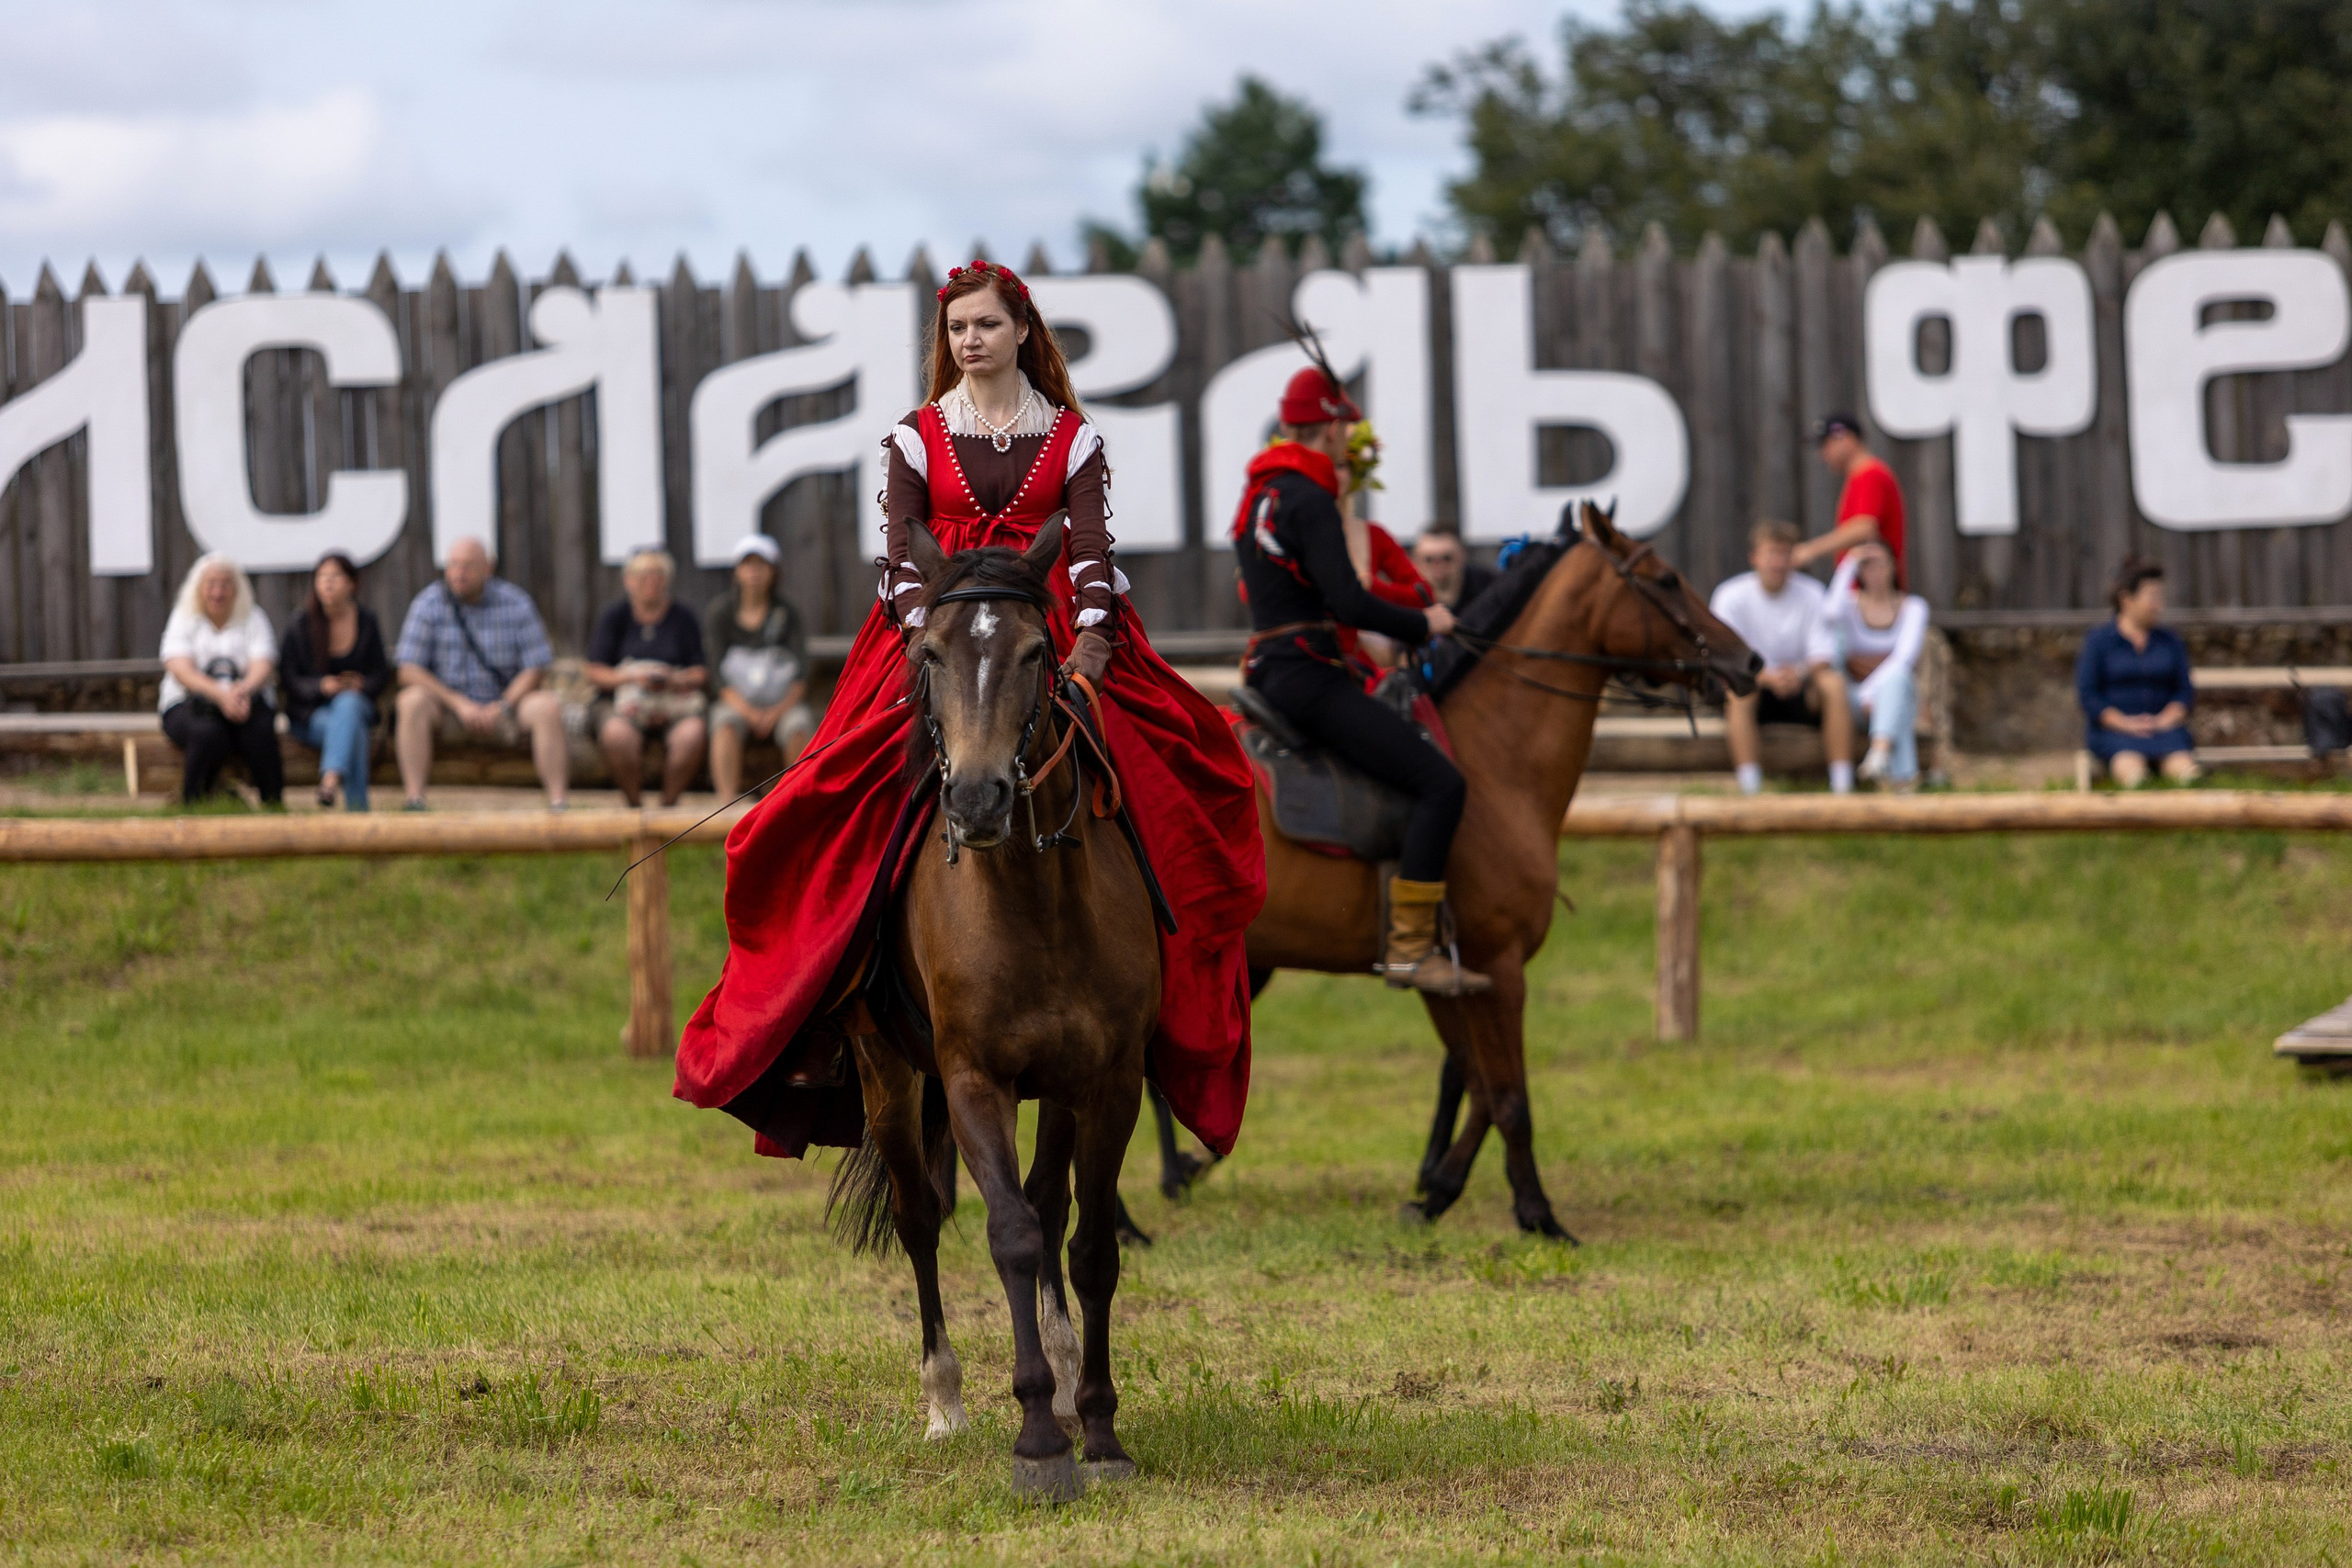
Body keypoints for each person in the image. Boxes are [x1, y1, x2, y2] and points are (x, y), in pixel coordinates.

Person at [676, 258, 1264, 1164]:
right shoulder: (914, 437)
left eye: (986, 324)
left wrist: (1091, 652)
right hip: (938, 641)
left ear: (1023, 329)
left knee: (1176, 779)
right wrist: (928, 639)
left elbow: (1092, 559)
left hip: (1053, 632)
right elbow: (899, 566)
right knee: (832, 804)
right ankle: (841, 1008)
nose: (970, 340)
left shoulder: (1072, 437)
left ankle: (1155, 1000)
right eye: (957, 328)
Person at [1236, 362, 1482, 993]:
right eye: (1343, 429)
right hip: (1311, 678)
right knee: (1441, 783)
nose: (1347, 440)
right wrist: (1424, 622)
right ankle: (1410, 949)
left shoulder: (1258, 497)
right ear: (1329, 431)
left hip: (1269, 670)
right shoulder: (1310, 499)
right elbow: (1348, 602)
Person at [391, 536, 569, 811]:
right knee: (410, 700)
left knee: (547, 706)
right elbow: (408, 670)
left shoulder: (516, 603)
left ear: (488, 568)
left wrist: (502, 706)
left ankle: (558, 803)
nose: (459, 573)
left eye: (468, 566)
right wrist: (458, 703)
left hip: (507, 706)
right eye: (453, 565)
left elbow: (536, 667)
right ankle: (415, 800)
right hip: (448, 707)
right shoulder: (428, 603)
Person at [1709, 520, 1856, 795]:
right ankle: (1751, 788)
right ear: (1754, 558)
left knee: (1834, 684)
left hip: (1802, 689)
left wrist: (1797, 675)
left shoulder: (1812, 592)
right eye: (1771, 554)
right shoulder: (1730, 596)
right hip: (1755, 690)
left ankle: (1842, 785)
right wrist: (1767, 678)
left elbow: (1823, 654)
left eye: (1784, 554)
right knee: (1739, 692)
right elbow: (1724, 657)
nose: (1778, 562)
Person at [158, 553, 284, 807]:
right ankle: (193, 803)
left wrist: (242, 691)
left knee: (259, 732)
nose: (218, 592)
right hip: (189, 703)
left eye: (225, 584)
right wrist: (219, 695)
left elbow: (264, 661)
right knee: (207, 733)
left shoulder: (253, 617)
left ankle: (273, 805)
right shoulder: (183, 617)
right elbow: (178, 666)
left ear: (237, 589)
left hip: (246, 701)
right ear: (198, 587)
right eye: (211, 584)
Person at [586, 548, 708, 807]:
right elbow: (595, 671)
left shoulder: (684, 617)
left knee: (692, 733)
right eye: (643, 575)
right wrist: (632, 678)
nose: (651, 581)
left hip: (674, 703)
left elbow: (700, 672)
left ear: (668, 580)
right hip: (623, 704)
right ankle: (635, 807)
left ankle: (668, 807)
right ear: (628, 581)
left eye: (657, 575)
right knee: (616, 735)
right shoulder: (614, 616)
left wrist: (673, 680)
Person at [704, 534, 816, 799]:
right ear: (737, 571)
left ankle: (797, 801)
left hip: (782, 703)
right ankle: (726, 802)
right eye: (747, 564)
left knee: (799, 726)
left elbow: (802, 672)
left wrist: (776, 712)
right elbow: (717, 675)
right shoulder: (720, 613)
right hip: (737, 702)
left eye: (761, 565)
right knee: (724, 724)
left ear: (773, 571)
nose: (754, 572)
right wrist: (749, 713)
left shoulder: (788, 612)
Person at [278, 551, 391, 811]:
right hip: (312, 715)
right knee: (353, 731)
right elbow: (288, 678)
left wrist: (362, 684)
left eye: (335, 576)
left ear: (352, 583)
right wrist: (321, 686)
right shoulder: (300, 624)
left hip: (358, 706)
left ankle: (330, 779)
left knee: (349, 704)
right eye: (322, 577)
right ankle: (358, 814)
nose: (328, 583)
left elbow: (381, 674)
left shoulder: (367, 622)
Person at [2077, 557, 2199, 786]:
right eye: (2152, 597)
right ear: (2126, 599)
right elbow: (2089, 695)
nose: (2158, 605)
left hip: (2164, 731)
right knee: (2130, 769)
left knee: (2185, 771)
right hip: (2115, 733)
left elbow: (2184, 691)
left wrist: (2165, 719)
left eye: (2160, 597)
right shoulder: (2099, 641)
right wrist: (2124, 723)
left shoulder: (2170, 640)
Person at [1823, 538, 1928, 788]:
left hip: (1885, 694)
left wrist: (1872, 692)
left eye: (1881, 564)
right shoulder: (1849, 605)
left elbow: (1905, 658)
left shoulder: (1914, 607)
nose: (1875, 572)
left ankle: (1880, 753)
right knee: (1897, 693)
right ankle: (1902, 781)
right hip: (1854, 698)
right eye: (1867, 565)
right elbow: (1830, 613)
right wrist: (1849, 563)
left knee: (1898, 681)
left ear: (1893, 566)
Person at [1795, 412, 1907, 583]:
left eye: (1825, 444)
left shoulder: (1870, 475)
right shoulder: (1861, 476)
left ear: (1846, 440)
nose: (1822, 454)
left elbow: (1864, 528)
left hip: (1871, 592)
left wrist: (1809, 550)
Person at [1410, 521, 1497, 611]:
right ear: (1416, 561)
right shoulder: (1407, 600)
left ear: (1462, 555)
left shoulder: (1489, 586)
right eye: (1429, 559)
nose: (1438, 565)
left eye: (1446, 558)